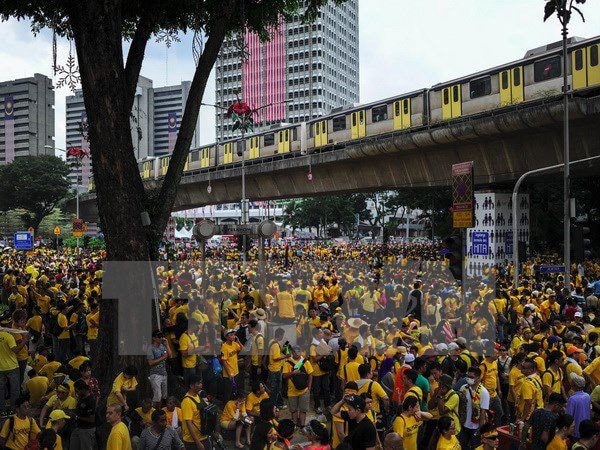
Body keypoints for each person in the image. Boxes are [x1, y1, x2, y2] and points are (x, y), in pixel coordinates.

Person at [282, 344, 313, 429]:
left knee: (303, 410)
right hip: (292, 392)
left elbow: (310, 375)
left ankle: (302, 425)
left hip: (304, 391)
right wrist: (293, 373)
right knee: (293, 410)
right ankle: (294, 425)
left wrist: (309, 389)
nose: (296, 354)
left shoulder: (305, 362)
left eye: (298, 352)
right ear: (292, 352)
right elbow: (284, 376)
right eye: (295, 352)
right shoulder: (287, 363)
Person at [459, 366, 489, 449]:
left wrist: (481, 430)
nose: (468, 379)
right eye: (467, 376)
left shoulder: (484, 392)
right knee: (462, 446)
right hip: (463, 424)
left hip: (475, 427)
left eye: (471, 377)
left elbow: (483, 412)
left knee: (475, 447)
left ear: (478, 378)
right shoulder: (463, 388)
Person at [0, 323, 26, 414]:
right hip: (12, 367)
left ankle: (2, 411)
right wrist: (25, 340)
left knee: (1, 391)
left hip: (0, 368)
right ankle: (13, 410)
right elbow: (16, 350)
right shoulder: (8, 336)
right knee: (14, 390)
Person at [181, 374, 207, 450]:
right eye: (198, 383)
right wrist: (198, 443)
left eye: (201, 383)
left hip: (203, 436)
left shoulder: (198, 396)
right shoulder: (187, 401)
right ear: (191, 386)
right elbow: (188, 423)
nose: (201, 385)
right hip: (192, 441)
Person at [70, 379, 97, 450]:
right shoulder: (81, 398)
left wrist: (76, 417)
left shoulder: (91, 400)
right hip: (78, 427)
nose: (76, 393)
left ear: (83, 389)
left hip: (87, 430)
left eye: (77, 391)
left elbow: (91, 419)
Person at [147, 330, 171, 409]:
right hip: (155, 374)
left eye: (162, 336)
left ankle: (159, 410)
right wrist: (163, 357)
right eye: (159, 336)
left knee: (164, 395)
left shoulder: (162, 346)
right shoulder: (151, 348)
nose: (161, 338)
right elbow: (150, 362)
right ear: (154, 338)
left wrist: (167, 345)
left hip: (164, 373)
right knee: (157, 396)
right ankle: (153, 410)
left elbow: (170, 355)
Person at [267, 328, 289, 410]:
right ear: (280, 335)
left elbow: (277, 352)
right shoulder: (275, 345)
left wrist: (284, 348)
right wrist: (286, 356)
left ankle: (279, 403)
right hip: (275, 369)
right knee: (276, 388)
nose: (283, 337)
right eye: (282, 335)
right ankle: (275, 405)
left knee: (275, 388)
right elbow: (276, 358)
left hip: (272, 368)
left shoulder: (271, 341)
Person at [566, 373, 591, 439]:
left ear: (574, 385)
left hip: (576, 430)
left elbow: (569, 416)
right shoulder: (587, 396)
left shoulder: (572, 399)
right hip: (586, 427)